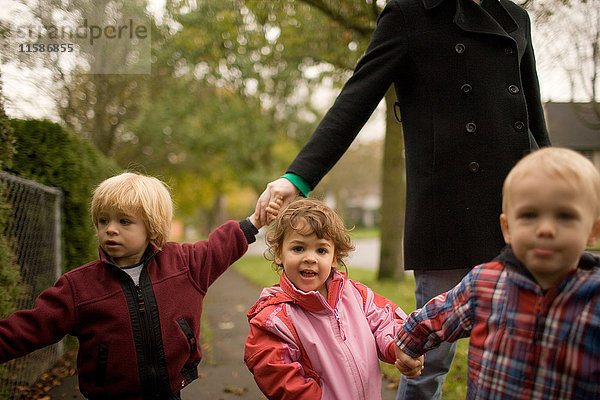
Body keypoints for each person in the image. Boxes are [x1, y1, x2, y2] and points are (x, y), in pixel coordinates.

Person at [254, 0, 551, 397]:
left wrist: (558, 194)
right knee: (429, 359)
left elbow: (532, 117)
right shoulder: (410, 14)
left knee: (507, 356)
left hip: (519, 208)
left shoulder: (516, 17)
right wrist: (299, 177)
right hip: (448, 211)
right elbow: (358, 95)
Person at [0, 172, 280, 400]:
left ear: (152, 228)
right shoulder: (79, 287)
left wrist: (255, 221)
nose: (110, 229)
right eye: (103, 220)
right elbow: (29, 328)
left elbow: (220, 247)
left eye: (124, 221)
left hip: (170, 392)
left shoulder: (184, 265)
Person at [394, 147, 600, 399]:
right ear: (507, 228)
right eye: (529, 215)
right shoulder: (486, 283)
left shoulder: (595, 299)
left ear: (593, 230)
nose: (546, 229)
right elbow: (439, 314)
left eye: (565, 216)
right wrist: (408, 342)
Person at [244, 198, 418, 399]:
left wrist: (403, 347)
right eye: (298, 248)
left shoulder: (356, 295)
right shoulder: (274, 321)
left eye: (321, 250)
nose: (310, 258)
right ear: (279, 254)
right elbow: (281, 378)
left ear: (334, 257)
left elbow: (386, 323)